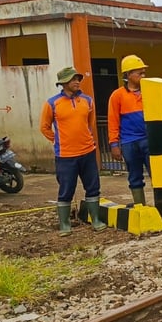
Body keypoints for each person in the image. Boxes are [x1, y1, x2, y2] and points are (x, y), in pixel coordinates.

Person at [39, 67, 107, 235]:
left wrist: (88, 139)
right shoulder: (52, 103)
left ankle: (96, 220)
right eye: (72, 79)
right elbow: (44, 127)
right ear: (63, 83)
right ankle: (64, 224)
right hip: (65, 156)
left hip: (87, 152)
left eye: (78, 78)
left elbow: (89, 124)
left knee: (92, 187)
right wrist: (57, 140)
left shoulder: (87, 101)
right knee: (66, 189)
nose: (77, 82)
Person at [107, 54, 150, 206]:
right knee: (135, 176)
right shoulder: (117, 96)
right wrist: (114, 144)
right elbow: (113, 121)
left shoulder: (150, 91)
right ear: (128, 74)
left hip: (148, 140)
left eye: (144, 72)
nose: (143, 76)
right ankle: (140, 206)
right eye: (140, 73)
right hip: (129, 142)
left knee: (156, 174)